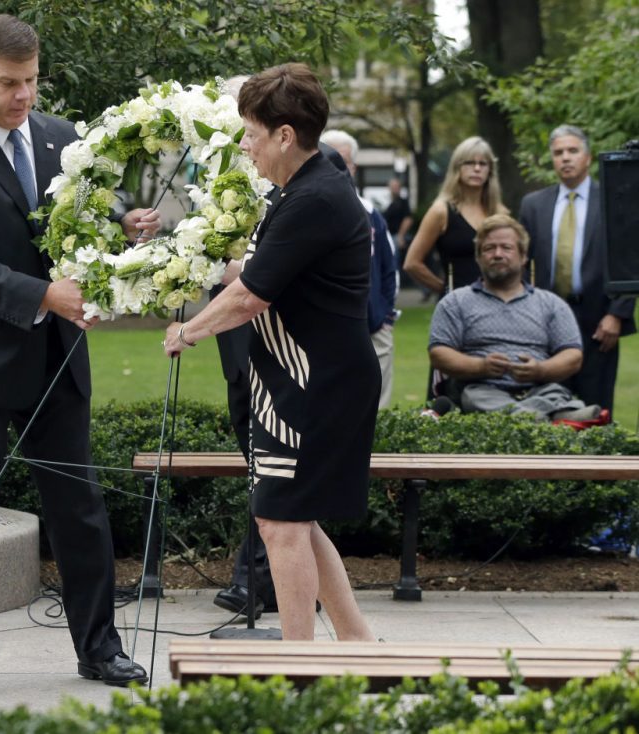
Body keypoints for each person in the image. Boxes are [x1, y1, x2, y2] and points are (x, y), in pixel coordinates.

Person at [0, 14, 160, 698]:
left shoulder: (62, 139)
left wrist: (121, 225)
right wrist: (49, 293)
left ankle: (100, 650)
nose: (24, 97)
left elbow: (73, 217)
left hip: (55, 357)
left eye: (31, 81)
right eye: (9, 83)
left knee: (79, 507)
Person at [164, 62, 377, 641]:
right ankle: (355, 641)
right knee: (293, 520)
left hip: (316, 384)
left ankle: (296, 668)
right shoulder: (303, 185)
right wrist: (174, 265)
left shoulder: (316, 197)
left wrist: (188, 331)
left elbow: (251, 296)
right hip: (292, 379)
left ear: (286, 135)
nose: (243, 145)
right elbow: (257, 269)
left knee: (280, 523)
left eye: (251, 133)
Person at [428, 214, 600, 420]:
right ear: (478, 257)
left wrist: (540, 370)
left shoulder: (551, 304)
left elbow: (573, 355)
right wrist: (480, 366)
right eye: (489, 248)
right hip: (481, 389)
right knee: (476, 397)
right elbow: (439, 352)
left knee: (554, 393)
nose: (497, 254)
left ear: (523, 255)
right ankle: (555, 416)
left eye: (506, 248)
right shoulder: (455, 302)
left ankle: (539, 414)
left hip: (540, 388)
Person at [519, 125, 636, 417]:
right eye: (558, 153)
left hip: (599, 320)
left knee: (597, 409)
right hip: (547, 321)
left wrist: (617, 313)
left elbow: (630, 256)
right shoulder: (534, 205)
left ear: (588, 157)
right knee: (549, 407)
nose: (565, 158)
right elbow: (521, 264)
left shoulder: (612, 198)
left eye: (573, 151)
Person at [320, 129, 397, 409]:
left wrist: (385, 314)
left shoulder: (371, 213)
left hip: (374, 324)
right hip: (328, 326)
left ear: (353, 167)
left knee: (376, 404)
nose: (338, 168)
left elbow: (389, 267)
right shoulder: (309, 208)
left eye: (344, 161)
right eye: (329, 159)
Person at [404, 136, 507, 296]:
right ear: (457, 168)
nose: (477, 168)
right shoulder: (441, 211)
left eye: (483, 163)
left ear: (490, 171)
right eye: (469, 163)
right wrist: (444, 290)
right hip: (457, 308)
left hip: (497, 303)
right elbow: (412, 263)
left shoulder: (500, 213)